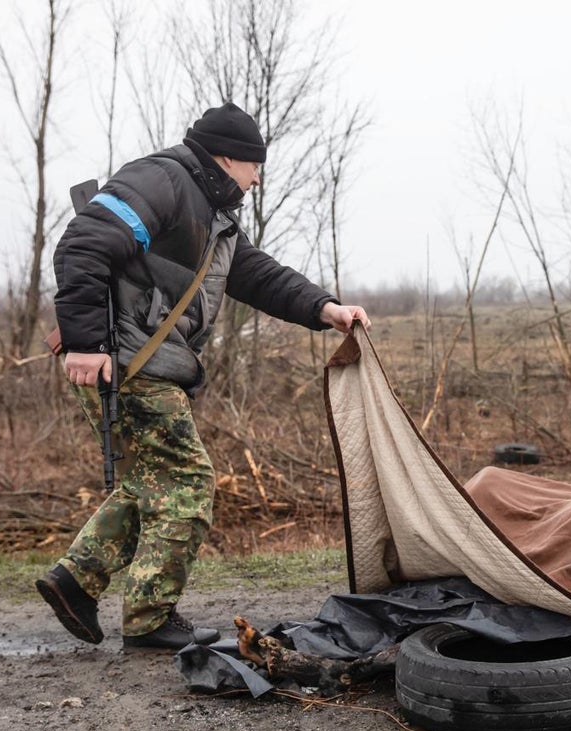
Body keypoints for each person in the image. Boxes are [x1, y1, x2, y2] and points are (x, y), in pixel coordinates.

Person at [36, 102, 370, 651]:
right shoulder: (164, 179)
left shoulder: (213, 214)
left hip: (146, 363)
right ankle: (148, 618)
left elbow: (258, 275)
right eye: (254, 165)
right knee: (187, 481)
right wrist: (85, 342)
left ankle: (76, 581)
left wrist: (324, 309)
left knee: (153, 482)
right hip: (126, 362)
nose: (259, 177)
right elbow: (84, 243)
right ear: (227, 157)